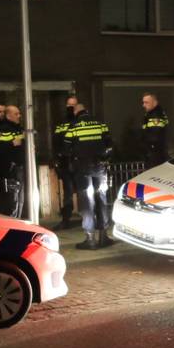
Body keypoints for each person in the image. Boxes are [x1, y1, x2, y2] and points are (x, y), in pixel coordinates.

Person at [62, 99, 115, 249]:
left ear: (76, 112)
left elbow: (66, 149)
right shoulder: (100, 124)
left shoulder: (74, 126)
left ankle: (90, 239)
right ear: (87, 111)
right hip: (100, 167)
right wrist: (105, 158)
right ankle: (104, 236)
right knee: (102, 198)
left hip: (82, 168)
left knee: (86, 201)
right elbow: (110, 145)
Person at [0, 104, 26, 218]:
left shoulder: (19, 130)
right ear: (8, 116)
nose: (19, 116)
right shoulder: (1, 130)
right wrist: (11, 143)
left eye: (19, 113)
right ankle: (12, 223)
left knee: (19, 199)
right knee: (12, 201)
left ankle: (17, 221)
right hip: (9, 170)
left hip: (20, 168)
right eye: (16, 114)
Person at [53, 96, 79, 229]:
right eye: (69, 105)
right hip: (65, 162)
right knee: (68, 192)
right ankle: (66, 219)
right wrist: (56, 159)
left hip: (79, 162)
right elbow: (56, 142)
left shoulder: (81, 121)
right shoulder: (61, 123)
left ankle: (89, 218)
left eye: (73, 105)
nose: (71, 108)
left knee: (84, 190)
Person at [140, 92, 170, 168]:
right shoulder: (152, 114)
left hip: (155, 156)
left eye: (146, 102)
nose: (143, 105)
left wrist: (144, 145)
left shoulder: (156, 115)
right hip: (156, 154)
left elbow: (154, 137)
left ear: (155, 103)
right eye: (143, 102)